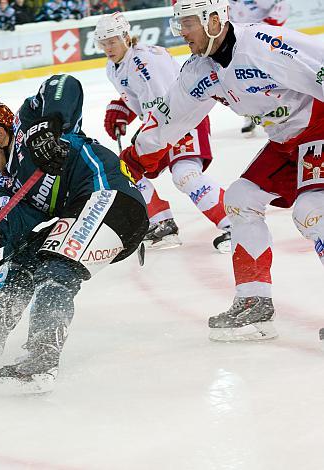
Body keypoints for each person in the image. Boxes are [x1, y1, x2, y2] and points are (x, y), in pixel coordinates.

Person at [119, 0, 324, 341]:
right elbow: (171, 119)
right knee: (241, 199)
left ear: (214, 19)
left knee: (312, 212)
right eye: (179, 24)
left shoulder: (264, 45)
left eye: (188, 23)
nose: (182, 32)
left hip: (319, 126)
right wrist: (135, 160)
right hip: (286, 141)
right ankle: (253, 299)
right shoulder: (200, 71)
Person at [0, 74, 149, 392]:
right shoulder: (8, 182)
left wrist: (48, 125)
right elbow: (4, 218)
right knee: (21, 254)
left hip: (112, 199)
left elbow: (64, 84)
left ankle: (41, 361)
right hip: (86, 212)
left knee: (55, 264)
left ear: (1, 135)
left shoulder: (30, 123)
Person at [95, 12, 231, 252]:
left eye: (112, 41)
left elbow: (165, 102)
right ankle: (161, 223)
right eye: (103, 43)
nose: (108, 48)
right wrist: (122, 108)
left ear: (126, 37)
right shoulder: (115, 66)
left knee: (185, 174)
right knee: (128, 172)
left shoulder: (144, 61)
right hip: (160, 126)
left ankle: (235, 225)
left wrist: (145, 133)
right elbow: (141, 96)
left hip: (186, 120)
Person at [228, 0, 290, 134]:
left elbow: (281, 8)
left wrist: (265, 30)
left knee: (272, 78)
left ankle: (285, 110)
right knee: (242, 80)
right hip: (238, 45)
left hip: (263, 43)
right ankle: (250, 115)